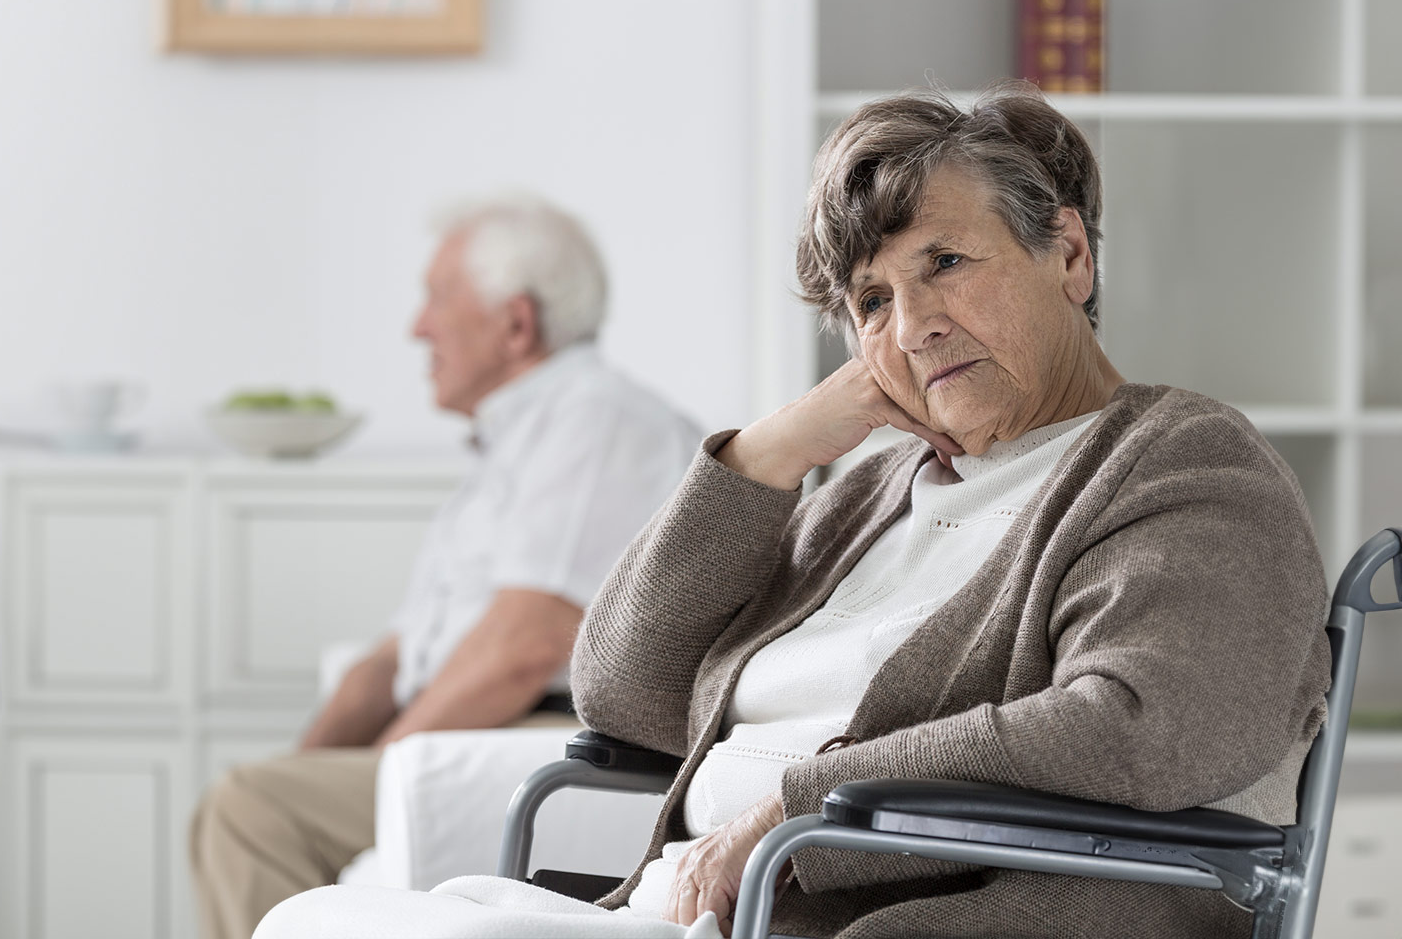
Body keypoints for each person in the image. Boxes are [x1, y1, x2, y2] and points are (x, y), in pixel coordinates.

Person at [255, 83, 1331, 939]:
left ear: (1070, 253)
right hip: (698, 909)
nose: (911, 328)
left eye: (944, 264)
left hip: (869, 918)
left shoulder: (1180, 465)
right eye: (870, 301)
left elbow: (1145, 730)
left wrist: (798, 810)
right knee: (308, 918)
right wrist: (771, 453)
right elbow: (621, 693)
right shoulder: (866, 488)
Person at [189, 196, 702, 939]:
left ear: (516, 323)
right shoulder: (513, 445)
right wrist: (309, 768)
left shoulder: (598, 421)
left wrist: (381, 774)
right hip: (478, 730)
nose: (416, 327)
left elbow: (525, 649)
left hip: (546, 735)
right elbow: (390, 662)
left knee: (249, 809)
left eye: (436, 297)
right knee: (263, 794)